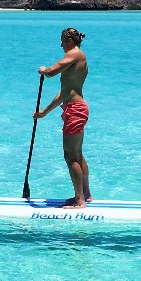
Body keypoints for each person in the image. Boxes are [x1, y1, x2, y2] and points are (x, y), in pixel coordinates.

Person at [34, 28, 91, 207]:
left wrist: (44, 70)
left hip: (75, 110)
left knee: (70, 156)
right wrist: (44, 112)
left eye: (62, 41)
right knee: (77, 154)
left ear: (68, 40)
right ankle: (86, 194)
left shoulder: (75, 54)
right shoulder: (77, 59)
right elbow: (63, 94)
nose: (61, 45)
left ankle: (79, 200)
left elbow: (52, 71)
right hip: (75, 108)